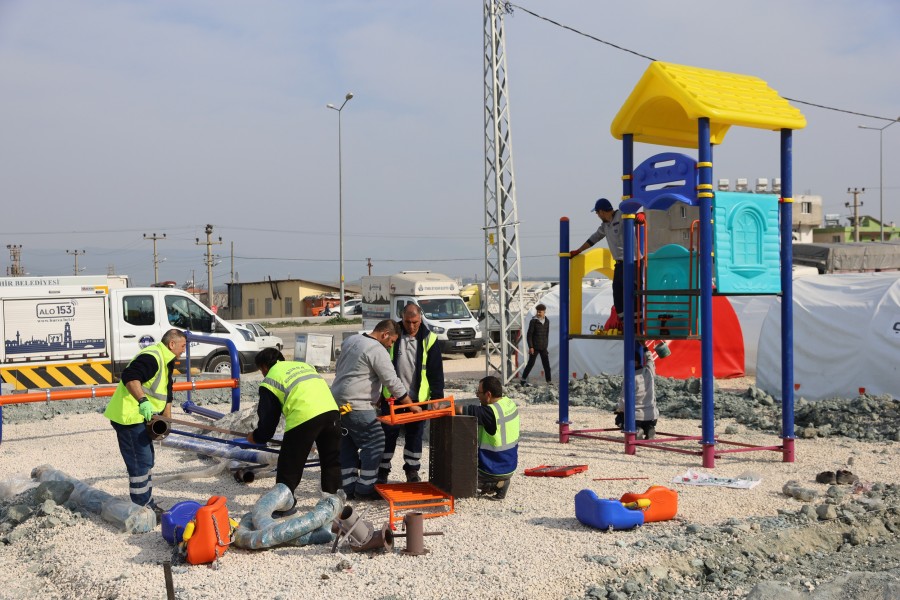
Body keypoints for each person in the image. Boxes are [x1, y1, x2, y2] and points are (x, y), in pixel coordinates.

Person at [246, 348, 342, 516]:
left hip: (304, 416)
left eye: (261, 371)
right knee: (330, 459)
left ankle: (285, 504)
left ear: (264, 367)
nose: (262, 374)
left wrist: (257, 437)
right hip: (332, 411)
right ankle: (332, 502)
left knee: (289, 463)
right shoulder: (303, 366)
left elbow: (268, 421)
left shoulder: (271, 380)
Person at [103, 329, 187, 519]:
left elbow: (167, 388)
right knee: (139, 462)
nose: (184, 350)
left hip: (141, 417)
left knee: (147, 460)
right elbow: (130, 377)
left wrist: (167, 418)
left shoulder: (166, 359)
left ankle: (146, 503)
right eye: (182, 346)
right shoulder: (152, 357)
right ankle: (140, 510)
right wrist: (143, 401)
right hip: (129, 417)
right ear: (171, 344)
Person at [331, 320, 412, 500]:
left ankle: (349, 486)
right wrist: (410, 405)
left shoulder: (351, 341)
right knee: (375, 440)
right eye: (391, 342)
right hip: (356, 404)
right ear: (385, 335)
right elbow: (392, 382)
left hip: (337, 403)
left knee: (348, 443)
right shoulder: (376, 349)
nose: (391, 346)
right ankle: (366, 488)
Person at [377, 303, 444, 484]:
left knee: (415, 436)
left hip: (418, 399)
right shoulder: (393, 335)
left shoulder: (429, 339)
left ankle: (412, 471)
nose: (411, 326)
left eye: (414, 322)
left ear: (420, 318)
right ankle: (382, 471)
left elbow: (436, 371)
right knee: (387, 435)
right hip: (392, 398)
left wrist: (437, 396)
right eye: (407, 322)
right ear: (402, 318)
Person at [455, 376, 519, 500]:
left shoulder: (490, 412)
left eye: (479, 393)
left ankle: (493, 484)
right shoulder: (509, 403)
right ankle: (501, 482)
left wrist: (440, 408)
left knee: (457, 480)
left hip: (492, 469)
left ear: (488, 394)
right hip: (509, 466)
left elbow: (459, 409)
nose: (478, 396)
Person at [570, 197, 626, 328]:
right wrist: (578, 250)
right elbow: (593, 239)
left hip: (632, 261)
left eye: (597, 213)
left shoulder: (622, 215)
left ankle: (635, 323)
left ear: (601, 211)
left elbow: (635, 217)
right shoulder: (605, 225)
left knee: (630, 293)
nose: (597, 215)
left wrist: (639, 216)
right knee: (617, 294)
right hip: (619, 263)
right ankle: (624, 322)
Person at [613, 345, 658, 440]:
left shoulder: (630, 377)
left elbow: (624, 400)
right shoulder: (649, 371)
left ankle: (637, 430)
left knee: (619, 419)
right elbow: (650, 360)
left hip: (636, 417)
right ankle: (649, 428)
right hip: (652, 415)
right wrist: (645, 348)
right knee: (648, 423)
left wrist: (619, 409)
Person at [520, 303, 551, 386]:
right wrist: (531, 347)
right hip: (535, 347)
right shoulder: (533, 321)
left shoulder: (547, 321)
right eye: (537, 312)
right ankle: (523, 379)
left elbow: (546, 334)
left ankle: (549, 381)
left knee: (546, 364)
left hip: (543, 346)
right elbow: (529, 335)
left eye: (540, 312)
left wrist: (546, 346)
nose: (538, 313)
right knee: (531, 363)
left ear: (544, 312)